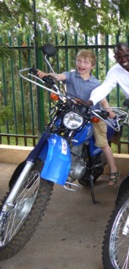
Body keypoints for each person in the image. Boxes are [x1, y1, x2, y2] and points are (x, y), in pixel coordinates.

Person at [36, 50, 120, 186]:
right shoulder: (71, 76)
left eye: (86, 62)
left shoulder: (95, 83)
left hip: (91, 116)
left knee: (102, 143)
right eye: (79, 61)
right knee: (54, 130)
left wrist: (109, 112)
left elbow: (102, 100)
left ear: (92, 66)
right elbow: (58, 76)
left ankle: (114, 170)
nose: (81, 64)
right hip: (72, 115)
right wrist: (47, 75)